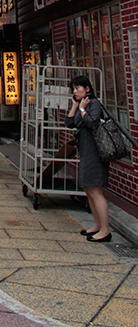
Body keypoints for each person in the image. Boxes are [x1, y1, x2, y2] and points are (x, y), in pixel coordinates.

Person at [66, 75, 111, 242]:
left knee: (95, 190)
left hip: (95, 153)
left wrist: (83, 110)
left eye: (78, 88)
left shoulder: (94, 104)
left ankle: (105, 230)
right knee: (88, 189)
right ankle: (97, 225)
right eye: (74, 88)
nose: (75, 91)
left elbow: (92, 122)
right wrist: (76, 106)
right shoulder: (82, 104)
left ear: (88, 89)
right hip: (85, 152)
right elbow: (69, 123)